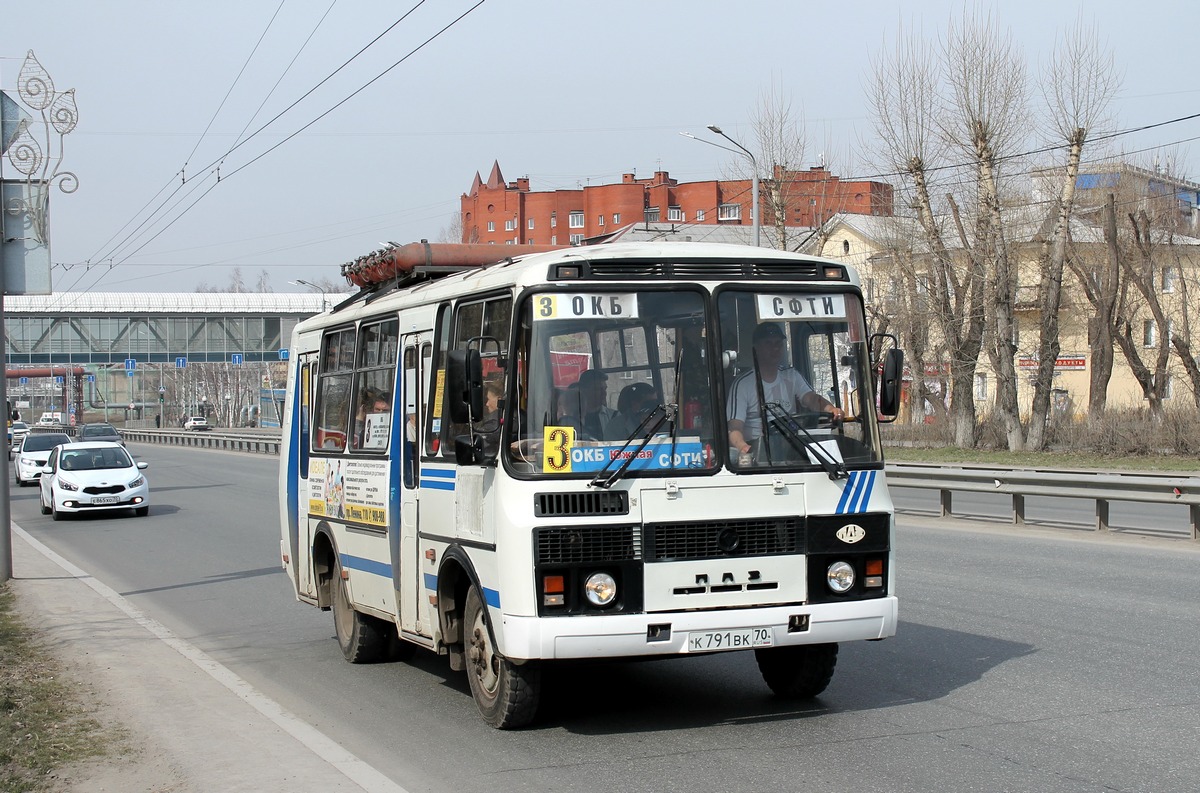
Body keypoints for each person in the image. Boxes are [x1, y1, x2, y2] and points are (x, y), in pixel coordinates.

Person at [727, 322, 844, 458]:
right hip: (759, 453)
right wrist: (744, 448)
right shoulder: (742, 384)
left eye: (778, 344)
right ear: (756, 348)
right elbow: (734, 428)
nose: (775, 348)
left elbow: (811, 398)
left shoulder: (792, 376)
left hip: (792, 448)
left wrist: (831, 409)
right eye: (768, 344)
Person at [560, 369, 617, 440]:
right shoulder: (568, 419)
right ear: (584, 390)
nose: (604, 393)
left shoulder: (614, 417)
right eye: (598, 389)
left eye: (605, 389)